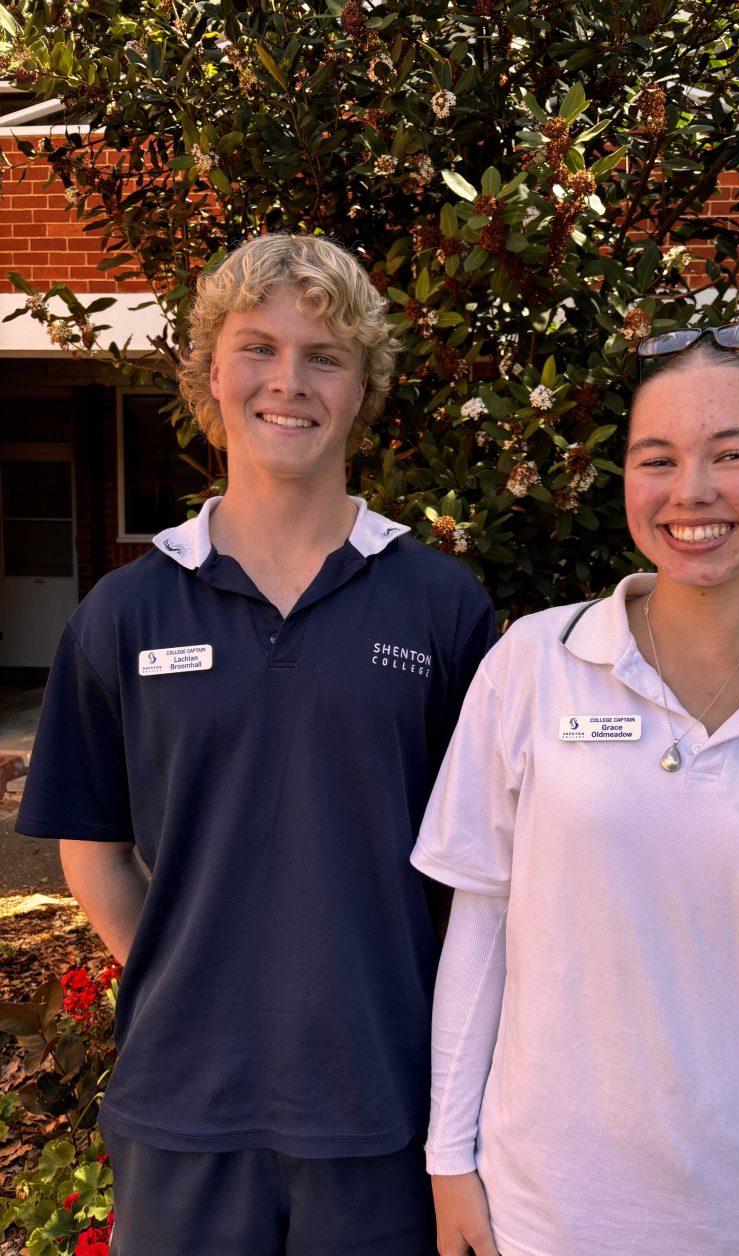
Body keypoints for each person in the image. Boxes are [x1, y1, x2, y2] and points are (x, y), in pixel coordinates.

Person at [411, 324, 739, 1256]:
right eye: (657, 459)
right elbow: (480, 925)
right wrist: (450, 1159)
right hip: (560, 1212)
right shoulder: (533, 666)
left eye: (733, 453)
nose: (691, 492)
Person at [16, 233, 497, 1255]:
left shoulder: (441, 604)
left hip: (384, 1100)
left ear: (365, 387)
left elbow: (486, 872)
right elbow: (91, 841)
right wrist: (184, 966)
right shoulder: (124, 613)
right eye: (258, 348)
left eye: (325, 354)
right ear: (208, 375)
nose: (290, 380)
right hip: (183, 1101)